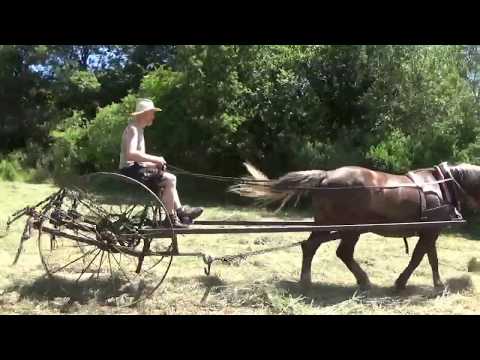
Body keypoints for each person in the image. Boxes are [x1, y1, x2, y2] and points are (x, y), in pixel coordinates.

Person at [119, 98, 203, 228]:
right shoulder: (133, 129)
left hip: (135, 168)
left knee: (169, 178)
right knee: (170, 179)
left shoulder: (138, 130)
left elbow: (136, 159)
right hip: (129, 171)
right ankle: (172, 219)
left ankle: (180, 214)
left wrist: (153, 165)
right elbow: (131, 154)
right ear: (144, 114)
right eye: (152, 113)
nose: (153, 116)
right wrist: (156, 159)